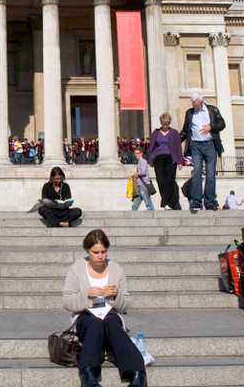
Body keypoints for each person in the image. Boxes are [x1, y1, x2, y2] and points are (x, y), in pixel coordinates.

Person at [61, 229, 146, 387]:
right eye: (96, 252)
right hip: (85, 317)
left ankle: (137, 372)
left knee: (111, 320)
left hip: (110, 317)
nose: (100, 256)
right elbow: (67, 301)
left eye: (104, 252)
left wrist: (116, 295)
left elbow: (125, 305)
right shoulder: (77, 269)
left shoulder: (116, 269)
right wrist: (86, 295)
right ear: (87, 251)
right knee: (95, 322)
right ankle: (88, 373)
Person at [179, 93, 226, 212]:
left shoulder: (212, 110)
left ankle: (209, 201)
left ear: (202, 102)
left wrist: (211, 127)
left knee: (210, 174)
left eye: (198, 105)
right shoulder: (190, 113)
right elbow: (185, 130)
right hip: (195, 145)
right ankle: (196, 200)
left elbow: (222, 124)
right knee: (197, 173)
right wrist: (175, 141)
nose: (196, 107)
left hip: (209, 144)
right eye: (194, 105)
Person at [146, 112, 184, 210]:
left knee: (169, 180)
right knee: (161, 180)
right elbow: (151, 146)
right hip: (159, 158)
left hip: (171, 158)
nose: (165, 126)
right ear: (161, 123)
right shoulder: (156, 132)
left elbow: (178, 147)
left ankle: (165, 202)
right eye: (164, 124)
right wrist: (150, 159)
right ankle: (167, 200)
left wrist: (180, 161)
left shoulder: (174, 132)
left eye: (167, 124)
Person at [130, 146, 155, 211]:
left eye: (137, 153)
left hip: (143, 185)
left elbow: (143, 172)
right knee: (135, 204)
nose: (136, 155)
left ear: (141, 153)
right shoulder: (140, 162)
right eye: (135, 153)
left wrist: (135, 173)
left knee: (147, 202)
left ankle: (152, 213)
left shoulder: (143, 161)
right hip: (140, 185)